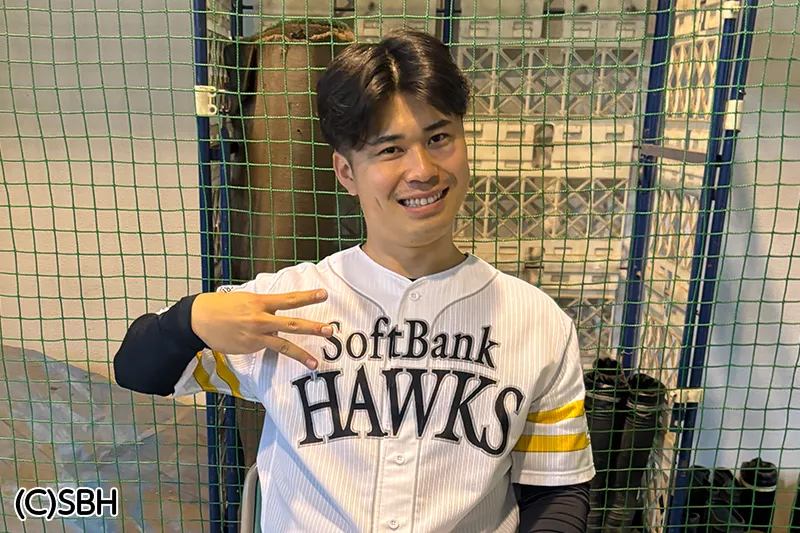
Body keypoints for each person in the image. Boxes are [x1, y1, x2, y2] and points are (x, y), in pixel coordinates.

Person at [114, 29, 594, 533]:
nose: (422, 170)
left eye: (438, 138)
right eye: (390, 150)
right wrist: (190, 319)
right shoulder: (281, 305)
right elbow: (138, 371)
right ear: (346, 172)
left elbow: (556, 490)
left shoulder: (538, 323)